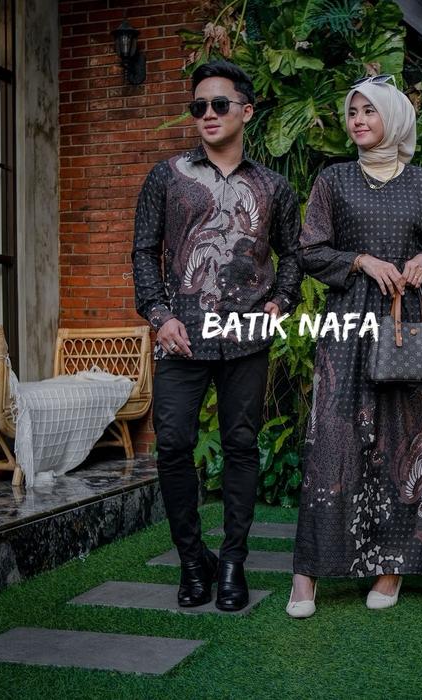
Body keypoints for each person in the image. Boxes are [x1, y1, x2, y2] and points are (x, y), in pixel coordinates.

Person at [287, 75, 422, 618]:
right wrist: (360, 261)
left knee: (404, 438)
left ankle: (391, 569)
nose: (358, 120)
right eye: (353, 111)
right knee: (333, 439)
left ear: (395, 118)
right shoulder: (334, 180)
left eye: (370, 110)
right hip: (349, 324)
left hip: (408, 325)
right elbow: (309, 250)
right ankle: (307, 573)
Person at [132, 60, 302, 611]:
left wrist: (281, 302)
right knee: (173, 444)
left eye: (219, 104)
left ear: (245, 111)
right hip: (180, 336)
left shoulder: (273, 186)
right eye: (198, 106)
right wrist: (160, 316)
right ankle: (191, 561)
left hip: (246, 336)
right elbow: (144, 252)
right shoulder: (166, 176)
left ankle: (231, 563)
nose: (207, 113)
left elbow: (294, 255)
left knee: (240, 446)